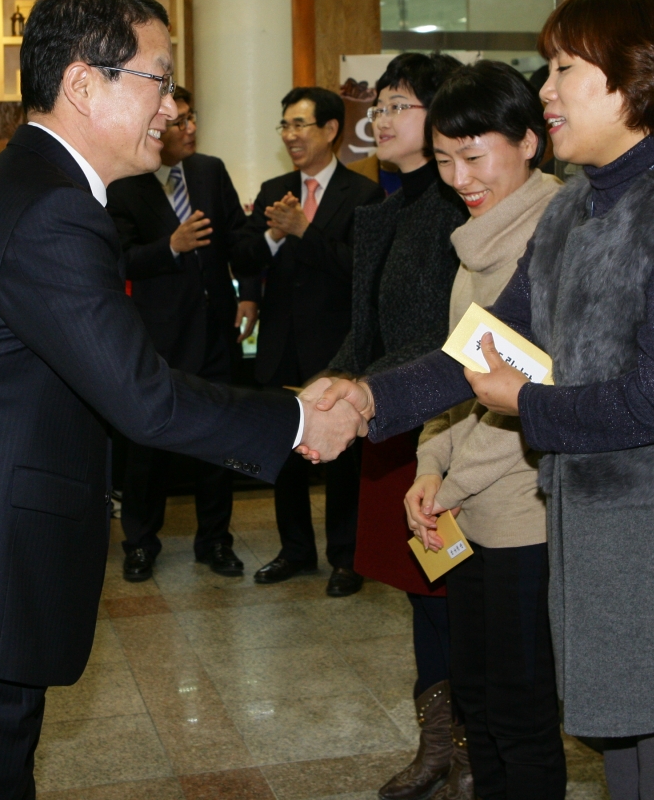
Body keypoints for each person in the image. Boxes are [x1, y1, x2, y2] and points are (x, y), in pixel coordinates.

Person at [0, 0, 365, 800]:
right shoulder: (49, 210)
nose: (173, 104)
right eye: (159, 78)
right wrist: (297, 416)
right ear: (85, 83)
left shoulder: (31, 190)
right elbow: (142, 396)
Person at [316, 0, 654, 800]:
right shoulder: (574, 209)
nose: (545, 89)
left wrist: (526, 404)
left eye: (565, 67)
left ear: (636, 76)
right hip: (610, 559)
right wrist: (369, 402)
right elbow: (484, 347)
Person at [406, 62, 565, 799]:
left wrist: (450, 483)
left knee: (521, 709)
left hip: (523, 511)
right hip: (466, 506)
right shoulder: (473, 240)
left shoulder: (555, 236)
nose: (459, 176)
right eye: (444, 160)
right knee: (476, 696)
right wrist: (426, 467)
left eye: (475, 156)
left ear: (530, 141)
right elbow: (455, 378)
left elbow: (526, 398)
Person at [321, 52, 474, 799]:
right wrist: (328, 383)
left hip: (442, 431)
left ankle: (472, 745)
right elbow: (370, 328)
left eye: (400, 104)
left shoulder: (461, 209)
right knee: (424, 591)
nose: (379, 119)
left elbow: (453, 337)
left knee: (457, 592)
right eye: (377, 105)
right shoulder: (384, 211)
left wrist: (362, 389)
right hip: (389, 431)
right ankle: (438, 744)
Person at [234, 86, 384, 595]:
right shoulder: (277, 187)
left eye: (300, 125)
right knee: (284, 456)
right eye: (285, 126)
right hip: (281, 346)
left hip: (336, 347)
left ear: (331, 130)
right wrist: (274, 236)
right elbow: (246, 259)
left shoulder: (363, 194)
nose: (291, 136)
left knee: (343, 462)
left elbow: (360, 272)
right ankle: (295, 550)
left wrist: (303, 231)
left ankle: (347, 557)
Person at [107, 86, 259, 581]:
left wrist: (250, 293)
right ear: (154, 124)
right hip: (157, 340)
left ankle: (214, 541)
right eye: (179, 121)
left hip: (215, 333)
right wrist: (170, 247)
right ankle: (140, 543)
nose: (189, 129)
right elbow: (119, 258)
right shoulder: (125, 180)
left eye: (192, 119)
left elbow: (238, 237)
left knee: (219, 440)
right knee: (146, 449)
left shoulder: (209, 171)